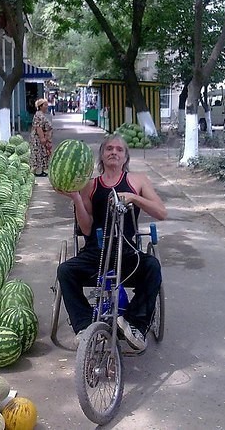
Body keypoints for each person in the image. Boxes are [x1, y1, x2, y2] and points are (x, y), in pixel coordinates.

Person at [55, 134, 167, 351]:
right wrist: (77, 198)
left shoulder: (138, 180)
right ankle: (85, 326)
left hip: (127, 253)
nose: (114, 152)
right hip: (96, 253)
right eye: (109, 149)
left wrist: (134, 198)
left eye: (119, 149)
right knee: (65, 271)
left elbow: (162, 213)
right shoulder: (90, 185)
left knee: (152, 267)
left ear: (125, 157)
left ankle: (134, 324)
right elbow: (86, 228)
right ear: (102, 155)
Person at [29, 98, 54, 177]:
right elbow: (38, 127)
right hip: (38, 138)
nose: (47, 106)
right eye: (45, 105)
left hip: (42, 137)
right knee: (38, 153)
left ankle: (42, 170)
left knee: (43, 153)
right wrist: (42, 138)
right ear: (40, 106)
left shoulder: (42, 115)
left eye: (47, 105)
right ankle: (36, 171)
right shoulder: (38, 115)